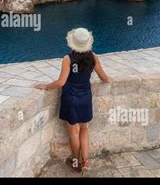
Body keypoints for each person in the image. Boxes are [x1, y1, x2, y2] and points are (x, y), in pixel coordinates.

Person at [34, 28, 110, 174]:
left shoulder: (68, 59)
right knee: (85, 128)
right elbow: (104, 78)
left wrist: (46, 86)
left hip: (71, 99)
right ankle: (86, 162)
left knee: (73, 133)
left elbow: (61, 82)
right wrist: (110, 79)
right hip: (85, 98)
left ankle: (76, 162)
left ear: (72, 44)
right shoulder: (93, 57)